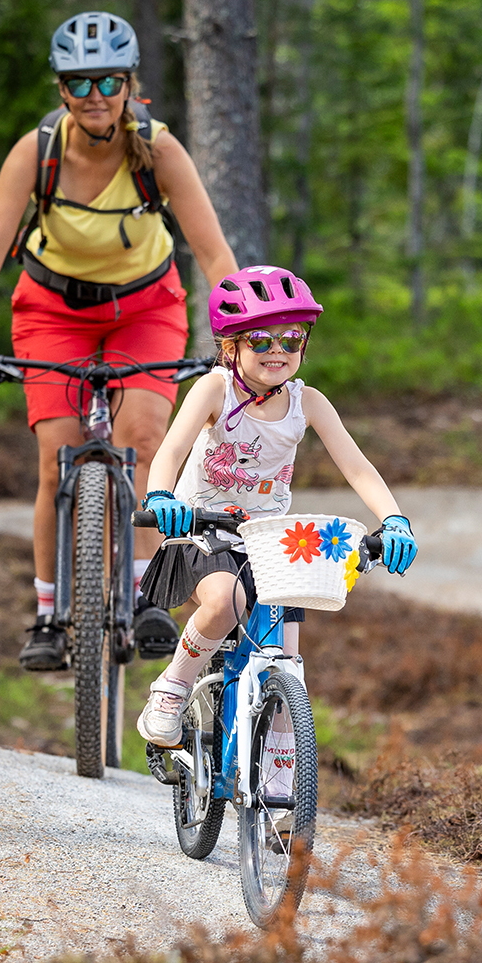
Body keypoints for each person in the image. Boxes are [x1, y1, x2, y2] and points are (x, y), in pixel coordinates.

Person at [0, 11, 241, 672]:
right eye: (79, 82)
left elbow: (215, 254)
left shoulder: (159, 152)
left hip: (145, 309)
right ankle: (49, 613)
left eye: (108, 80)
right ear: (61, 88)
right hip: (52, 311)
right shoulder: (38, 151)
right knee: (56, 458)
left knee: (145, 439)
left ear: (129, 85)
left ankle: (145, 594)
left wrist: (237, 334)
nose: (94, 94)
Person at [134, 266, 419, 748]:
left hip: (268, 541)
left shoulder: (309, 402)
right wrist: (161, 496)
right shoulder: (215, 389)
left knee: (287, 665)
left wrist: (394, 520)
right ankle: (173, 686)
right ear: (231, 348)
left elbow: (357, 467)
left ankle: (285, 781)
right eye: (261, 340)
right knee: (224, 602)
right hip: (201, 529)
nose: (278, 351)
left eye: (291, 339)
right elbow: (171, 449)